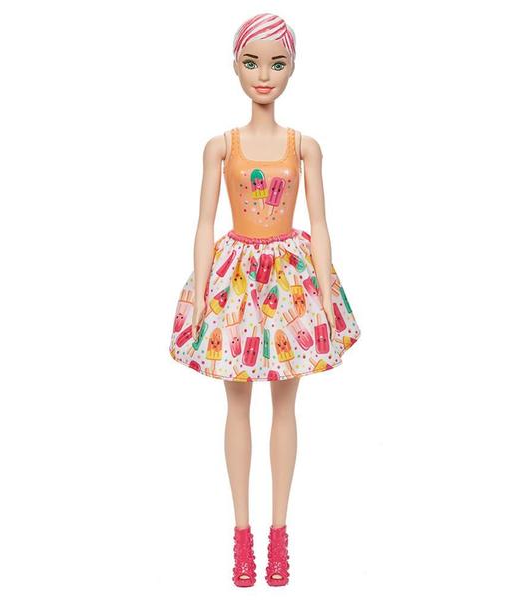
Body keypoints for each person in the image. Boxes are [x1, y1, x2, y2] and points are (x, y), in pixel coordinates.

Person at [168, 12, 361, 587]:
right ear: (235, 66)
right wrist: (199, 291)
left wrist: (325, 292)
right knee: (236, 406)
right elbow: (204, 222)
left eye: (277, 64)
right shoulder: (219, 147)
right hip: (236, 281)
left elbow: (319, 223)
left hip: (289, 281)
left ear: (292, 68)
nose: (264, 75)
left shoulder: (305, 148)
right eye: (252, 63)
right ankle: (241, 535)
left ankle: (279, 534)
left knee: (283, 407)